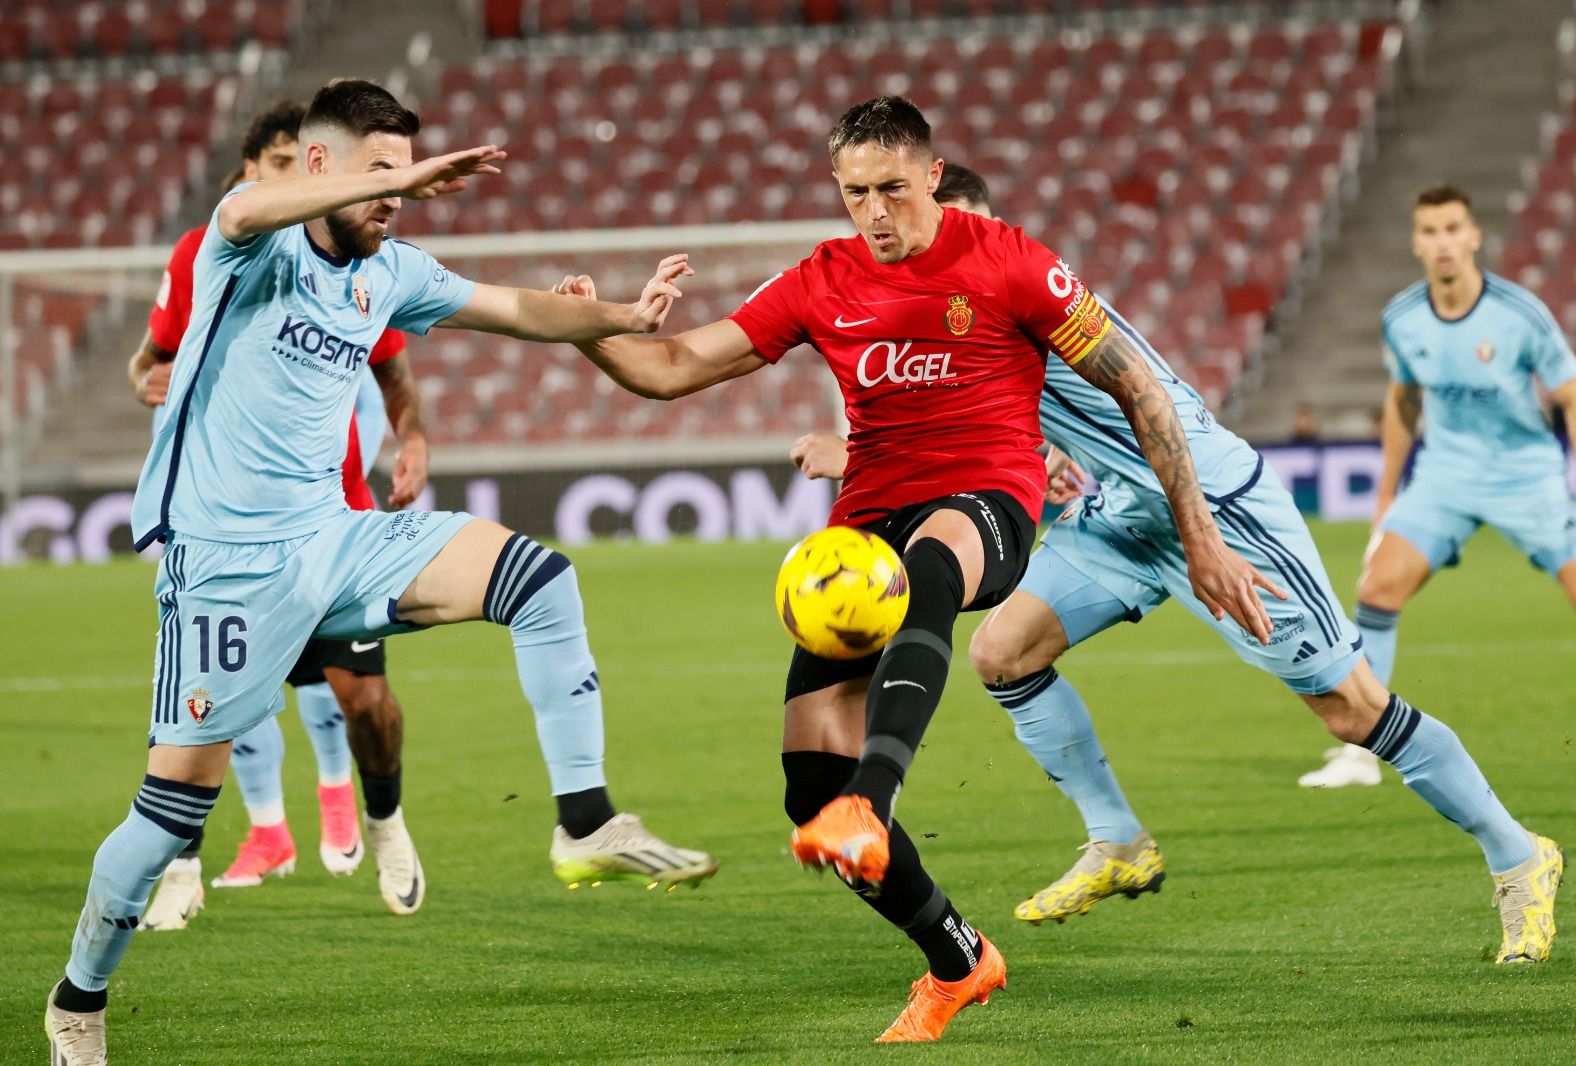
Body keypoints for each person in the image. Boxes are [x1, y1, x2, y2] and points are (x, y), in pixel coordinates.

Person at [552, 98, 1278, 1044]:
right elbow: (675, 366)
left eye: (892, 188)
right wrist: (590, 333)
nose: (875, 212)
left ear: (934, 177)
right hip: (862, 530)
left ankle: (876, 796)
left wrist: (1202, 534)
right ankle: (958, 957)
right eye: (855, 193)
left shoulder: (1013, 260)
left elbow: (1137, 384)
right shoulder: (823, 277)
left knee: (930, 566)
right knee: (807, 791)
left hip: (987, 504)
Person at [46, 79, 715, 1066]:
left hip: (337, 537)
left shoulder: (388, 270)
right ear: (317, 165)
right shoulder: (238, 247)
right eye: (380, 174)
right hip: (225, 567)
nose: (397, 194)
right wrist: (377, 178)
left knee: (540, 578)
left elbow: (515, 310)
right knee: (165, 818)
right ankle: (77, 999)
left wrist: (622, 312)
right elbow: (245, 206)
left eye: (407, 175)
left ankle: (583, 820)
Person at [792, 167, 1565, 967]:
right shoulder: (953, 315)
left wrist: (1202, 541)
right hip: (1127, 513)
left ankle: (1518, 856)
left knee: (1352, 709)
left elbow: (1137, 399)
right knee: (1002, 653)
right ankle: (1119, 839)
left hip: (1216, 507)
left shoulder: (1022, 289)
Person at [129, 100, 425, 927]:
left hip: (334, 518)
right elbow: (149, 359)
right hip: (224, 525)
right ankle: (183, 863)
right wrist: (140, 381)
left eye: (311, 163)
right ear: (251, 171)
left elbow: (396, 371)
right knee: (202, 713)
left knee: (363, 700)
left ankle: (385, 817)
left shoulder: (361, 259)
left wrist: (416, 439)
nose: (300, 180)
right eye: (283, 165)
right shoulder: (208, 251)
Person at [1301, 184, 1576, 788]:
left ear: (1473, 237)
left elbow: (1573, 396)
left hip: (1526, 477)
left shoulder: (1519, 314)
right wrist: (1387, 491)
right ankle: (1363, 752)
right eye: (1430, 232)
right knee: (1378, 587)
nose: (1442, 243)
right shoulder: (1402, 318)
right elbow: (1403, 401)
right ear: (1417, 242)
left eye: (1452, 229)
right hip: (1446, 475)